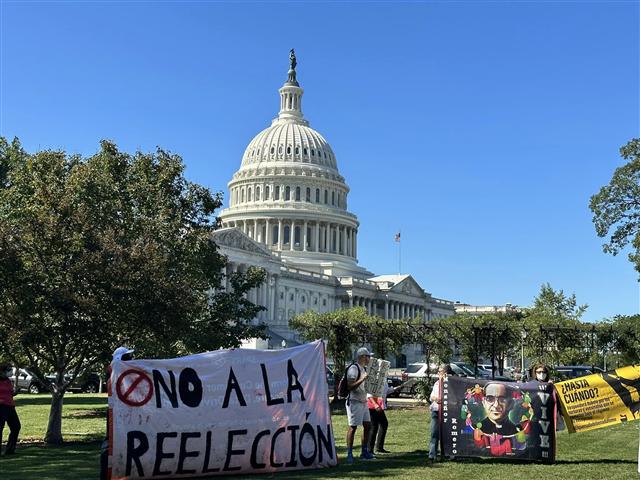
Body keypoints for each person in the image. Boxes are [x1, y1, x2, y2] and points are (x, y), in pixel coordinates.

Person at [100, 347, 135, 480]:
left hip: (129, 412)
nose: (131, 360)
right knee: (110, 442)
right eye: (127, 357)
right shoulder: (113, 371)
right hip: (116, 412)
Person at [345, 347, 374, 463]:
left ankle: (364, 451)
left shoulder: (364, 369)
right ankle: (349, 454)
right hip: (354, 402)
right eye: (368, 356)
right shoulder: (354, 368)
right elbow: (350, 387)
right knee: (353, 427)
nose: (369, 359)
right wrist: (362, 379)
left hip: (363, 401)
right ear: (362, 356)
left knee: (367, 425)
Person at [367, 380, 402, 454]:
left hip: (379, 405)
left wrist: (395, 389)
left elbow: (386, 391)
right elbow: (369, 394)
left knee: (383, 424)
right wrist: (375, 404)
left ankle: (378, 447)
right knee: (374, 426)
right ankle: (370, 450)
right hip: (372, 406)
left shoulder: (383, 379)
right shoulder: (375, 378)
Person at [428, 363, 452, 463]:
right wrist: (436, 398)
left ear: (445, 373)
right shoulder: (437, 383)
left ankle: (448, 453)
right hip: (436, 411)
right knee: (434, 433)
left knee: (447, 434)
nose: (438, 373)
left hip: (447, 412)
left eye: (440, 371)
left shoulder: (450, 383)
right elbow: (431, 396)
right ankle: (432, 454)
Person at [0, 364, 21, 455]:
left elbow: (10, 393)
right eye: (8, 370)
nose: (10, 372)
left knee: (16, 427)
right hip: (1, 407)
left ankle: (10, 449)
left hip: (10, 406)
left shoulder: (8, 381)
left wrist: (15, 392)